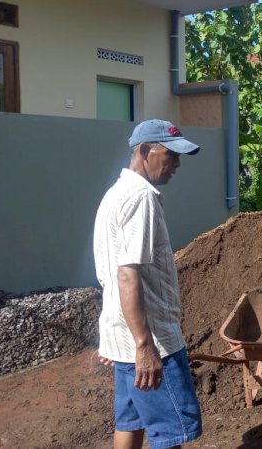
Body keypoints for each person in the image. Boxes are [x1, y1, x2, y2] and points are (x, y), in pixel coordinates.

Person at [94, 119, 203, 449]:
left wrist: (120, 340)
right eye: (171, 156)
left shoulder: (116, 194)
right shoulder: (141, 198)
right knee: (170, 432)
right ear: (144, 151)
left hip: (124, 335)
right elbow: (128, 274)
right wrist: (144, 345)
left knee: (131, 421)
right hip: (152, 340)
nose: (177, 165)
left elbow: (109, 274)